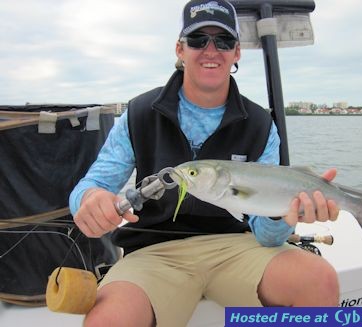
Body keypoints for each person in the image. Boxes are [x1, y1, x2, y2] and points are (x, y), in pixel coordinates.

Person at [70, 0, 340, 325]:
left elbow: (268, 237)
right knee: (107, 320)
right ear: (180, 49)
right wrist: (90, 201)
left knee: (320, 280)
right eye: (198, 40)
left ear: (237, 52)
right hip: (154, 253)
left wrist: (285, 216)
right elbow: (92, 185)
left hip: (238, 246)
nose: (210, 50)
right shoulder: (140, 113)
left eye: (223, 41)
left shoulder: (260, 124)